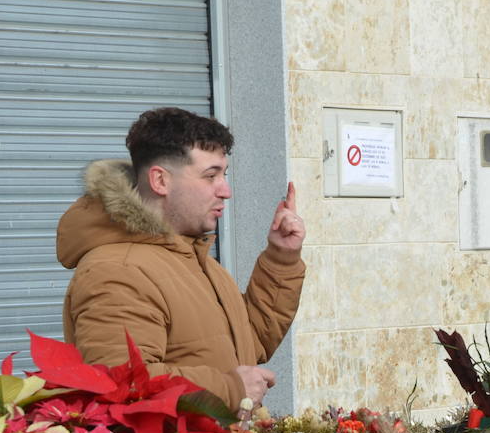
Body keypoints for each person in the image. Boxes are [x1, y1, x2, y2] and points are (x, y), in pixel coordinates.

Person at [57, 106, 305, 408]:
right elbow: (122, 385)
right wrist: (230, 389)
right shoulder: (118, 271)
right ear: (160, 181)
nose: (225, 190)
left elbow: (248, 345)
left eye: (224, 174)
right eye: (210, 175)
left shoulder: (197, 262)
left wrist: (281, 258)